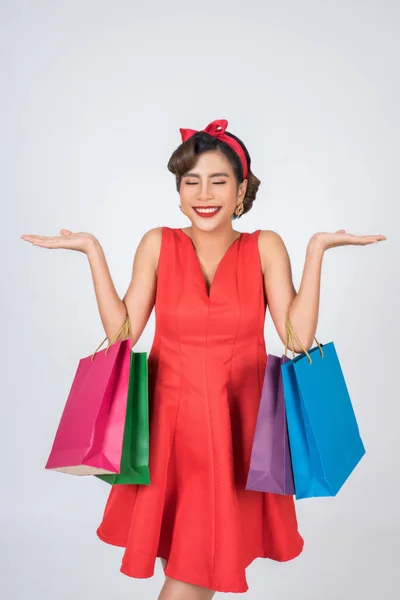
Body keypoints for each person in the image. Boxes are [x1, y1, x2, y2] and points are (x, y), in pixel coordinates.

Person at [21, 118, 386, 599]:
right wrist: (92, 251)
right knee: (197, 563)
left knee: (199, 564)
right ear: (178, 192)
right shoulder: (158, 242)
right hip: (172, 427)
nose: (203, 193)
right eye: (190, 181)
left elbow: (296, 339)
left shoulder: (265, 246)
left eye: (218, 180)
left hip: (240, 428)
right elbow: (122, 335)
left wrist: (317, 250)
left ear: (241, 191)